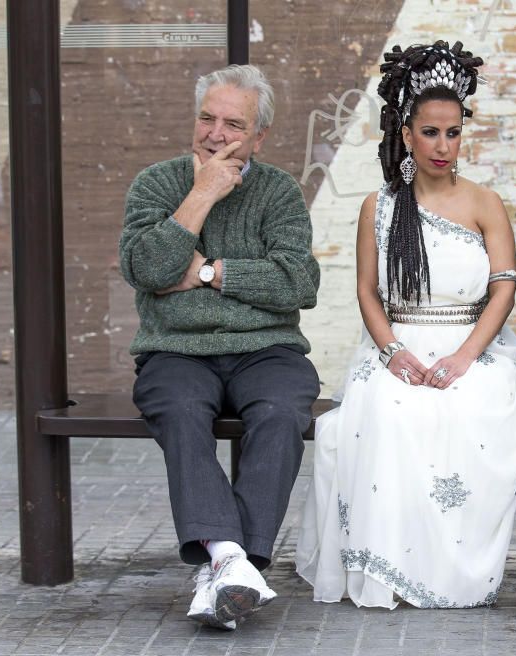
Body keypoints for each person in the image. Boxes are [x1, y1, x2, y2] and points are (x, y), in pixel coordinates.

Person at [295, 41, 516, 609]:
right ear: (406, 134)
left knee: (463, 410)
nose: (442, 145)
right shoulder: (379, 206)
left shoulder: (485, 203)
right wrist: (391, 353)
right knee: (385, 411)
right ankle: (387, 569)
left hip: (476, 346)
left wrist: (463, 359)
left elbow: (504, 287)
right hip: (398, 344)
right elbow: (366, 290)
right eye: (430, 132)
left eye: (453, 132)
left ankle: (450, 566)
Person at [119, 64, 321, 630]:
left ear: (258, 137)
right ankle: (234, 562)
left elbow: (297, 285)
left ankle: (230, 566)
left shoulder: (278, 191)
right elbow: (146, 268)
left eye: (234, 124)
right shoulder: (157, 184)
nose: (216, 133)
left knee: (282, 412)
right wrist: (202, 194)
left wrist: (206, 273)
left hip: (267, 349)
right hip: (174, 350)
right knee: (181, 411)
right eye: (207, 118)